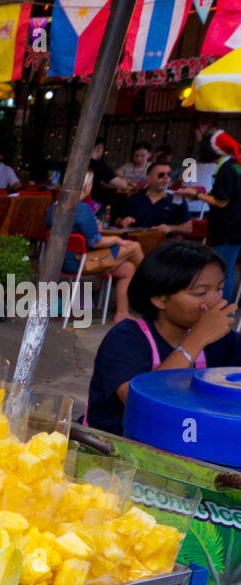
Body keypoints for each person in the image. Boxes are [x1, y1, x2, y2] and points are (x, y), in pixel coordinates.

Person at [85, 240, 241, 436]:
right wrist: (196, 340)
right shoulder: (126, 339)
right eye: (200, 292)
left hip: (184, 444)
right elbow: (141, 401)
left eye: (219, 288)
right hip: (115, 450)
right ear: (159, 299)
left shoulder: (221, 339)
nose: (215, 300)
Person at [47, 171, 143, 321]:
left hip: (58, 261)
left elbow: (75, 233)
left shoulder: (54, 207)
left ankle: (122, 313)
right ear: (86, 187)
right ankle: (152, 285)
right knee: (135, 246)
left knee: (128, 269)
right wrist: (116, 239)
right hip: (80, 263)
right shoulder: (82, 209)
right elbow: (96, 242)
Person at [180, 131, 241, 303]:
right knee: (224, 268)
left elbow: (221, 201)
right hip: (219, 219)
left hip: (222, 221)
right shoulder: (235, 165)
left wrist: (196, 195)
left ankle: (220, 309)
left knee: (222, 269)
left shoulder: (222, 168)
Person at [115, 161, 191, 235]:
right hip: (137, 240)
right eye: (161, 175)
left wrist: (171, 228)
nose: (166, 177)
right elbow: (118, 220)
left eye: (169, 174)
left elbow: (188, 228)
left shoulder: (177, 198)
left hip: (164, 243)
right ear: (149, 178)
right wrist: (124, 221)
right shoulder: (135, 197)